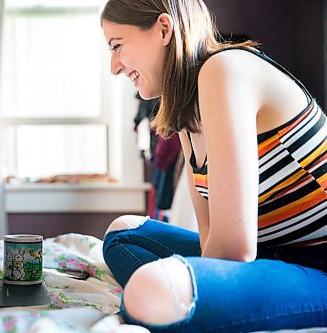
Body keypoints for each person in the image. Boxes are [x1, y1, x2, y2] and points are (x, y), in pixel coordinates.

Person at [100, 0, 327, 332]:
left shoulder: (225, 69)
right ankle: (164, 305)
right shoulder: (185, 113)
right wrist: (204, 286)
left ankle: (158, 305)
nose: (114, 67)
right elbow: (211, 243)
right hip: (271, 258)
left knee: (152, 289)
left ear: (164, 28)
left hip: (317, 268)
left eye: (117, 46)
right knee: (121, 235)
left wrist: (183, 286)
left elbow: (234, 249)